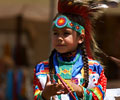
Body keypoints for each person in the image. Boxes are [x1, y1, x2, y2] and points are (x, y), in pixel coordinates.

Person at [33, 0, 107, 100]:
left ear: (80, 38)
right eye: (55, 33)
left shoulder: (94, 69)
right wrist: (45, 94)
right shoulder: (41, 69)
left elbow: (99, 96)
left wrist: (79, 90)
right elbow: (35, 96)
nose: (59, 38)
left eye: (66, 33)